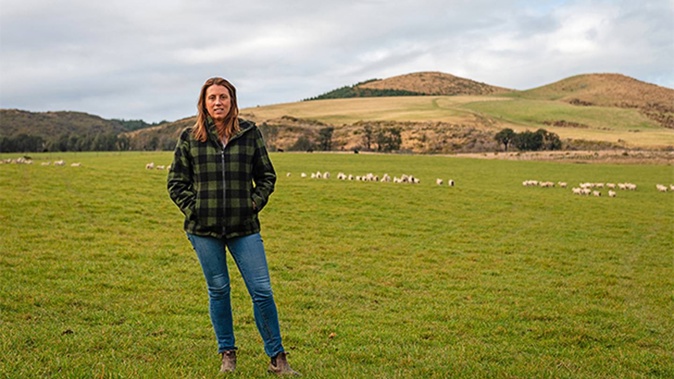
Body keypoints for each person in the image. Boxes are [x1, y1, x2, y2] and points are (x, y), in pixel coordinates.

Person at [167, 77, 299, 376]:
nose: (217, 102)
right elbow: (176, 182)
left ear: (232, 101)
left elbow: (267, 176)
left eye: (223, 97)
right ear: (203, 103)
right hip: (204, 231)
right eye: (211, 97)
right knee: (219, 290)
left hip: (245, 227)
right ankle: (227, 353)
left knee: (262, 291)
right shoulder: (190, 137)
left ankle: (277, 358)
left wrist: (253, 204)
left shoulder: (250, 134)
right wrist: (195, 209)